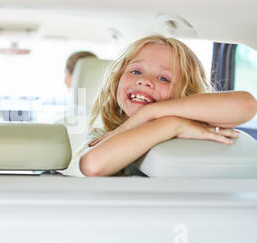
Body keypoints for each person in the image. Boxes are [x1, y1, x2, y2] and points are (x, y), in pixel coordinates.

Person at [78, 34, 257, 177]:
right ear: (118, 80)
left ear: (185, 95)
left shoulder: (194, 127)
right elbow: (93, 165)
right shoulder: (103, 135)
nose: (144, 81)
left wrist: (153, 112)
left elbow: (247, 105)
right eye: (136, 71)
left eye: (163, 78)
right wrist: (172, 125)